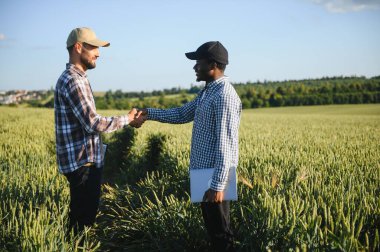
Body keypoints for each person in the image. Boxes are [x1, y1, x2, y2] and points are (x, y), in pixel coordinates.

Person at [138, 41, 241, 251]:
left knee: (223, 236)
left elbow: (227, 142)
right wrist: (149, 114)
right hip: (204, 172)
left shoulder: (224, 96)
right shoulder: (208, 92)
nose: (194, 67)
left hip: (215, 176)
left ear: (212, 64)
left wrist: (218, 184)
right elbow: (182, 113)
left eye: (198, 62)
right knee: (214, 232)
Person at [54, 27, 145, 237]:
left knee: (82, 218)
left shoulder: (77, 77)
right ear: (78, 47)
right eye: (94, 47)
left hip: (84, 161)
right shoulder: (74, 80)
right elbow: (92, 123)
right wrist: (128, 119)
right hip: (82, 163)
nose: (98, 53)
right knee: (81, 223)